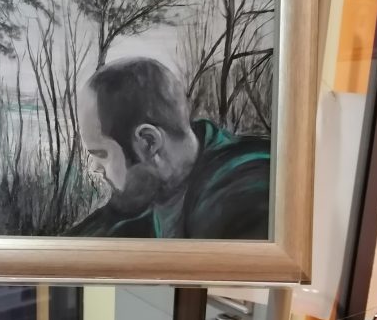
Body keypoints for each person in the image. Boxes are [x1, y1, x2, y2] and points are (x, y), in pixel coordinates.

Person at [71, 57, 271, 239]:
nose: (95, 167)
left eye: (102, 154)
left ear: (148, 142)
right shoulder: (151, 187)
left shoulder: (241, 198)